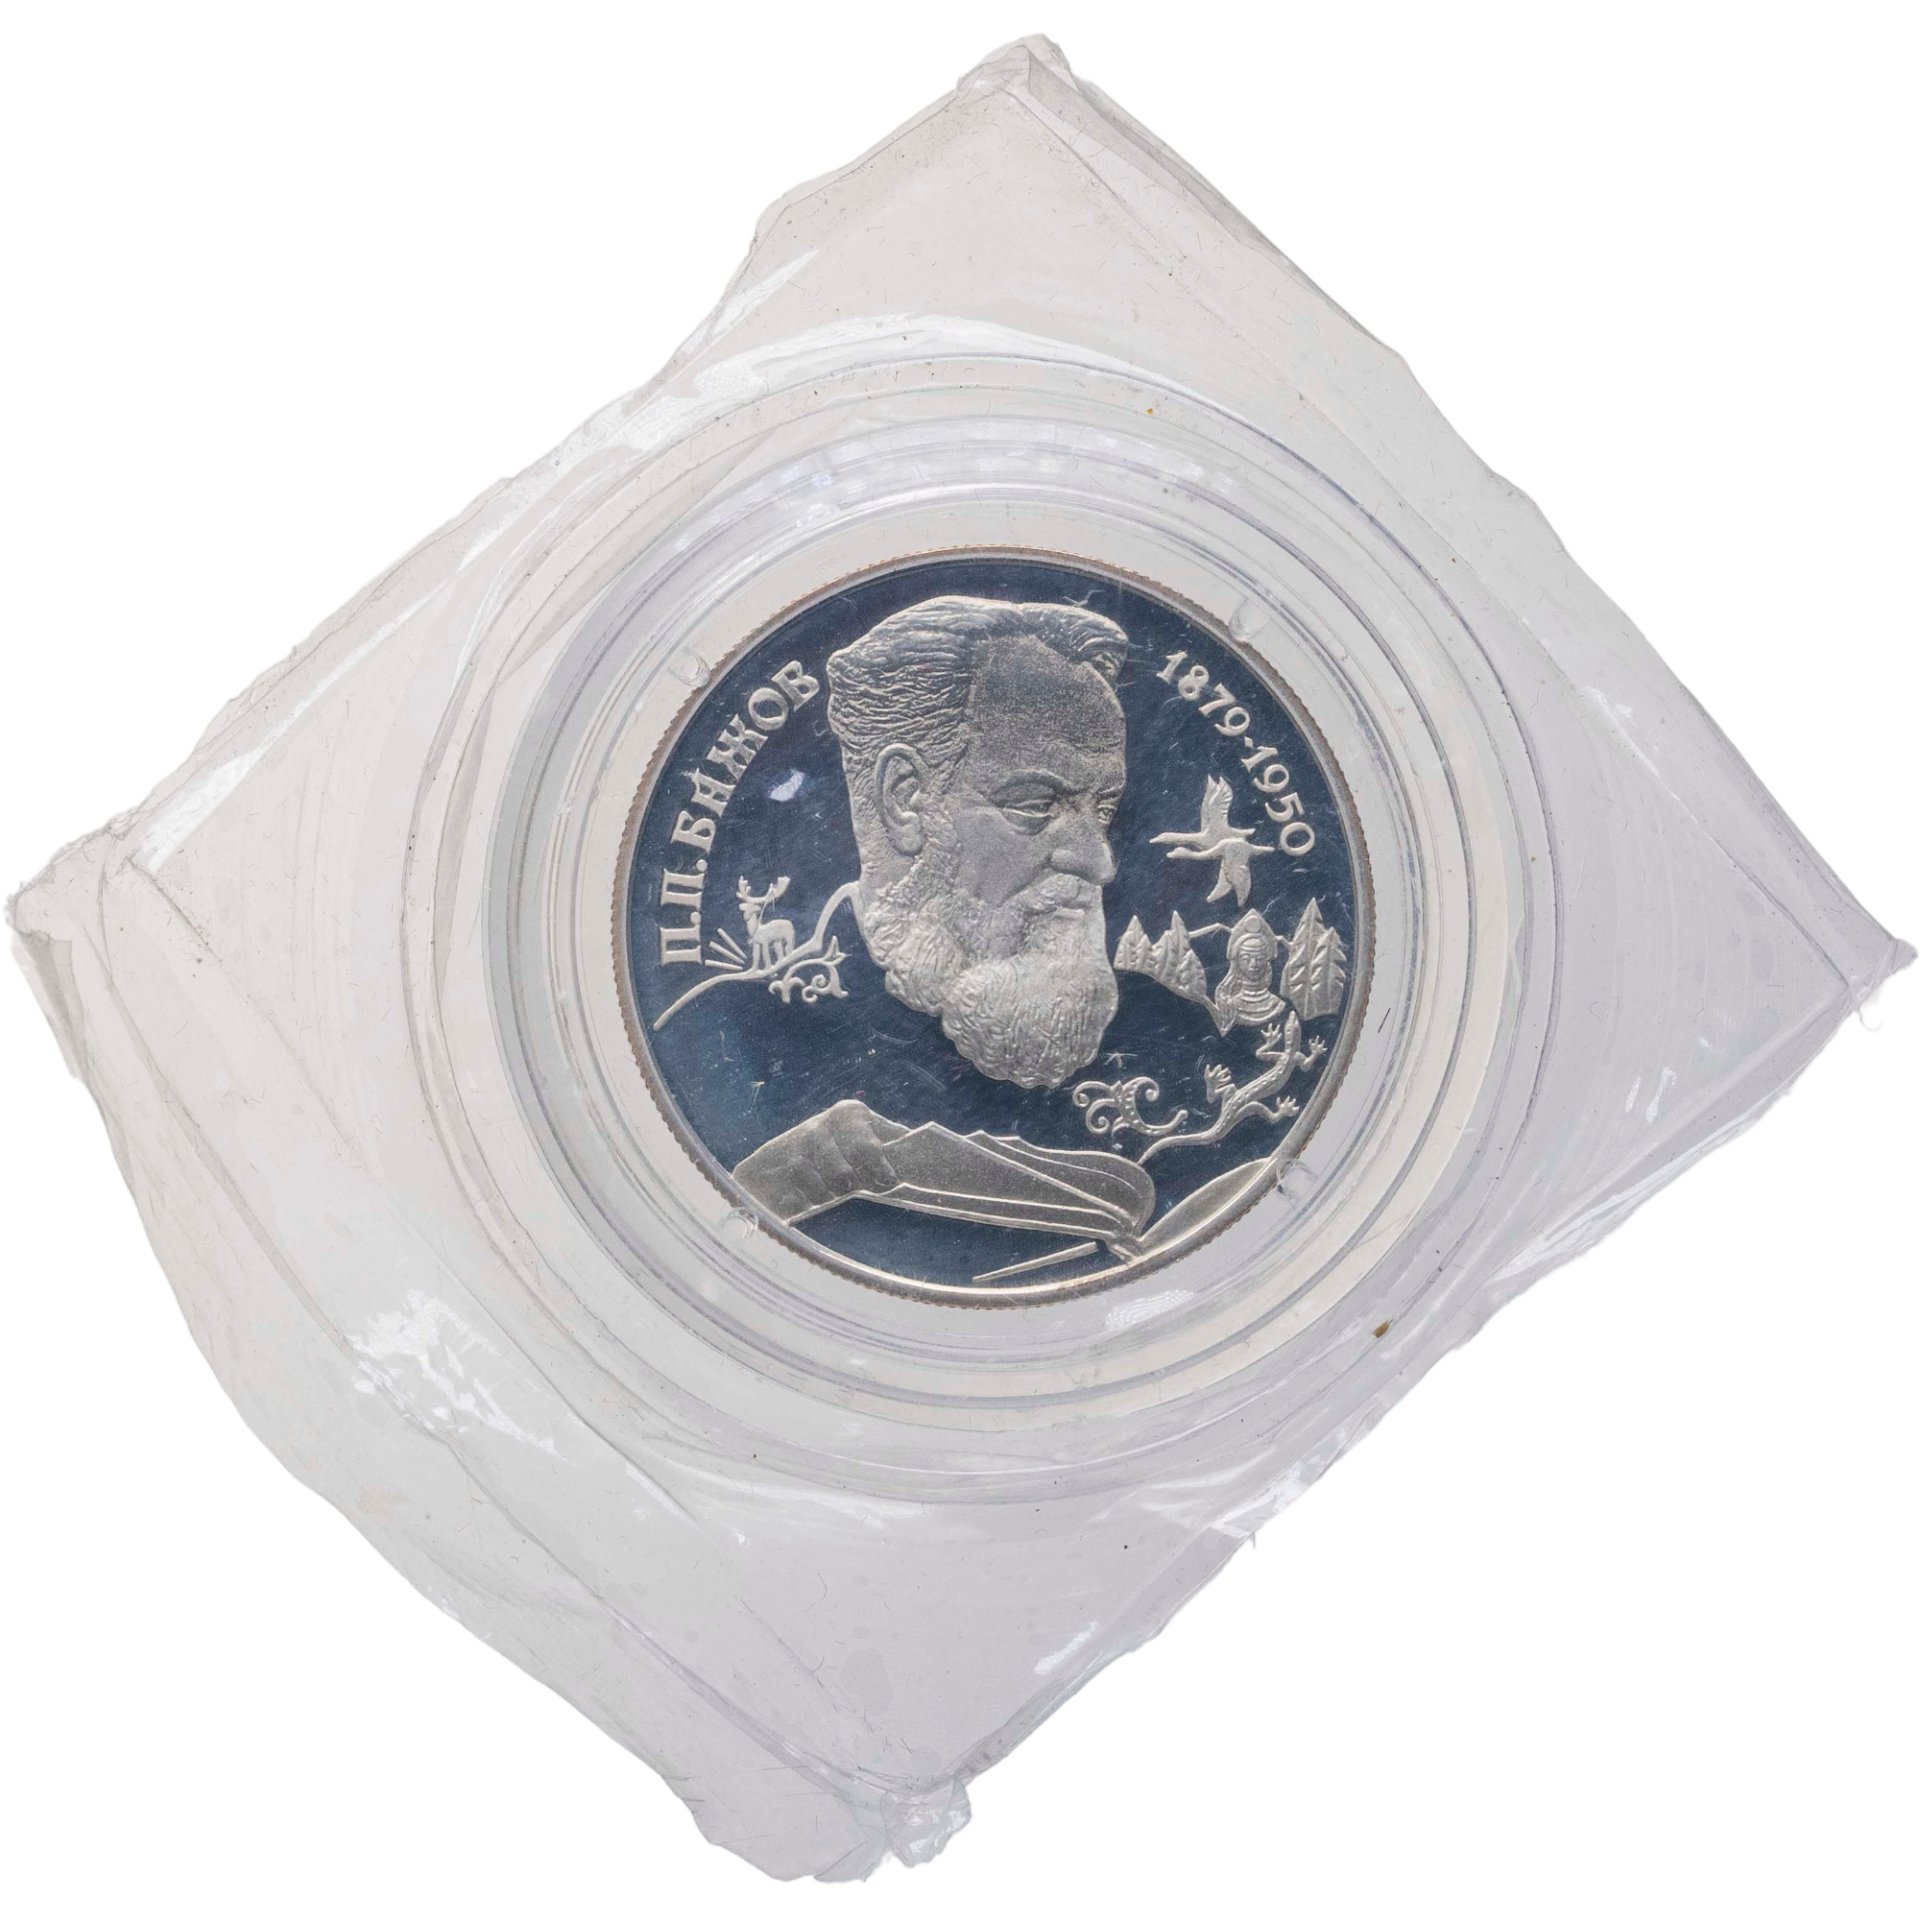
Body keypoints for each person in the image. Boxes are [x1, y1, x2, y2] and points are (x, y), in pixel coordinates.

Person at [733, 596, 1139, 1236]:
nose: (1099, 862)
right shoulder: (737, 1031)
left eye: (1105, 809)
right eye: (1036, 805)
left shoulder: (1179, 1026)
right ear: (905, 799)